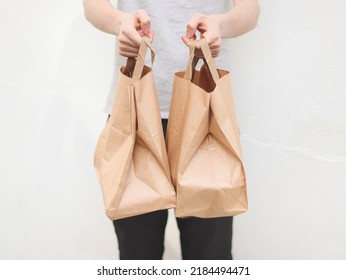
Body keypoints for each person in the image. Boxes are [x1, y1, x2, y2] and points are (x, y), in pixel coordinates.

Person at [83, 0, 260, 260]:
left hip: (206, 118)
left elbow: (250, 10)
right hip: (133, 116)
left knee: (210, 261)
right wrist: (120, 22)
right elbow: (92, 6)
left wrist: (220, 24)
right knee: (137, 260)